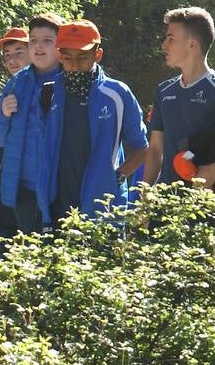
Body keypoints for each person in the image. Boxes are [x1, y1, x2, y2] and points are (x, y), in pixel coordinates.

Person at [46, 20, 149, 224]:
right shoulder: (48, 93)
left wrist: (116, 178)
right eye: (67, 58)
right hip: (56, 207)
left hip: (105, 210)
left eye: (82, 57)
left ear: (98, 55)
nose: (74, 65)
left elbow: (142, 147)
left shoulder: (117, 93)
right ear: (59, 56)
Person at [142, 8, 215, 190]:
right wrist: (145, 193)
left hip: (208, 203)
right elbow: (155, 149)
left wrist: (213, 170)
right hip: (166, 199)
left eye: (171, 39)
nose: (164, 45)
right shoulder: (163, 90)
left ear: (192, 44)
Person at [0, 13, 67, 231]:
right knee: (28, 257)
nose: (39, 46)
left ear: (59, 45)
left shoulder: (72, 81)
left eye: (47, 41)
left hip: (60, 189)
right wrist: (3, 114)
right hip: (24, 190)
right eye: (33, 40)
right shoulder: (17, 82)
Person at [0, 28, 29, 239]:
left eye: (19, 52)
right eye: (7, 55)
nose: (12, 60)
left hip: (31, 197)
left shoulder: (51, 94)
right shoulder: (0, 100)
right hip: (1, 201)